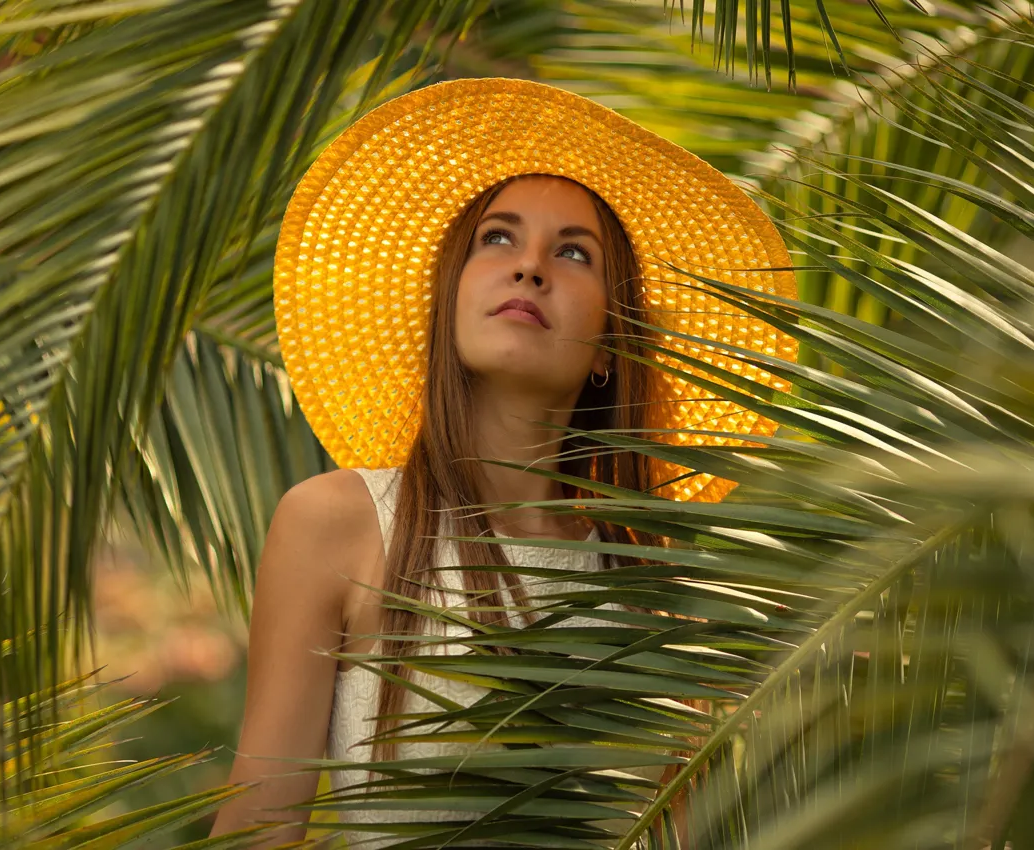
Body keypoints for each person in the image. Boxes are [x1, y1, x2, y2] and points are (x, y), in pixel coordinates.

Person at [210, 77, 797, 846]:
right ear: (447, 299)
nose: (530, 267)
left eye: (574, 253)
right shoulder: (340, 524)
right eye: (497, 238)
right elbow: (261, 825)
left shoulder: (655, 593)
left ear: (609, 351)